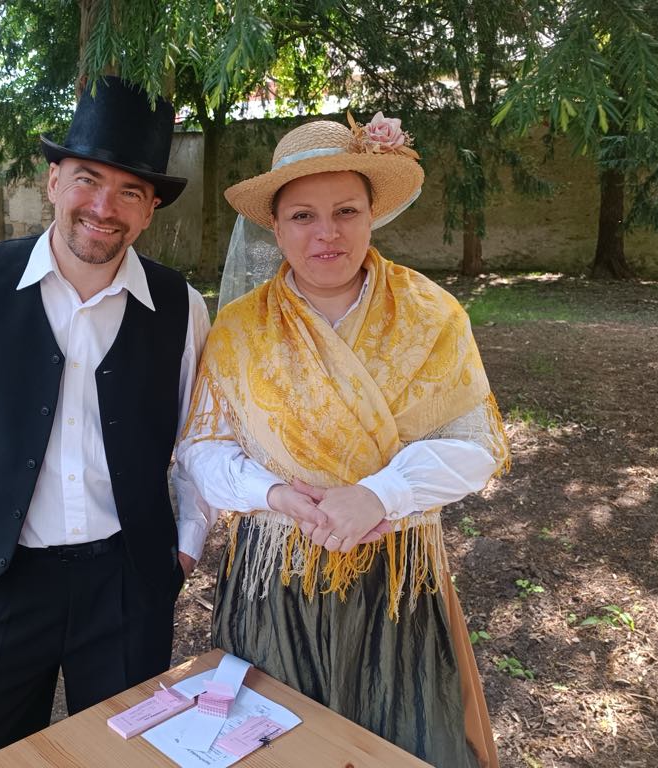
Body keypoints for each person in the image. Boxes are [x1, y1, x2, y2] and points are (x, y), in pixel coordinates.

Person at [0, 77, 210, 767]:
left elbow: (199, 444)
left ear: (151, 209)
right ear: (54, 180)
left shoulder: (183, 307)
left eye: (130, 191)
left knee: (129, 760)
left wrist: (185, 547)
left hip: (130, 581)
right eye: (88, 180)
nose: (103, 207)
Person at [176, 114, 510, 768]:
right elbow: (203, 447)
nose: (326, 232)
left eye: (345, 211)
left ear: (371, 216)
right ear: (276, 229)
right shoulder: (239, 329)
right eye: (302, 216)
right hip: (272, 578)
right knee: (275, 745)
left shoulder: (432, 315)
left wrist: (380, 495)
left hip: (395, 577)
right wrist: (274, 493)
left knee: (395, 739)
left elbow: (476, 444)